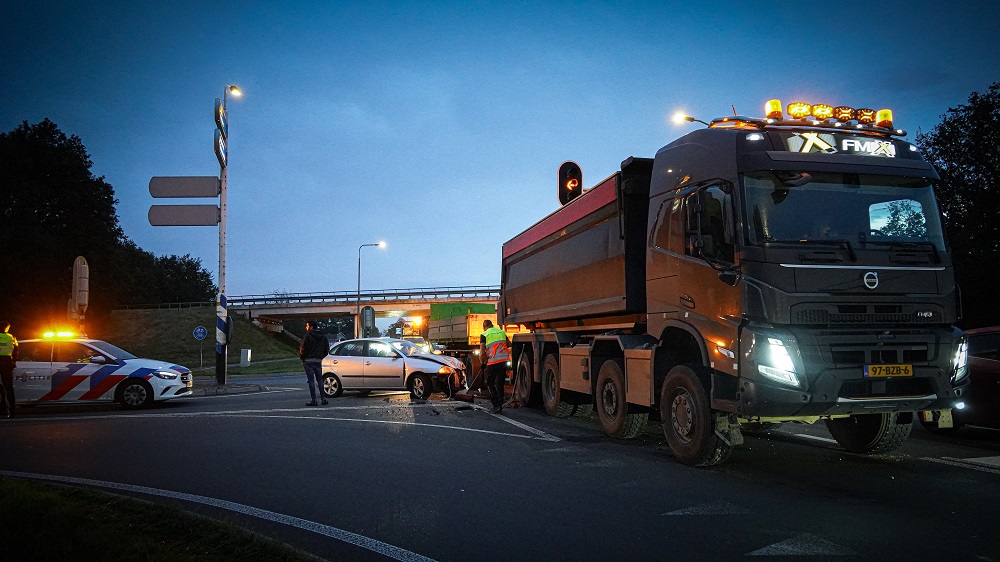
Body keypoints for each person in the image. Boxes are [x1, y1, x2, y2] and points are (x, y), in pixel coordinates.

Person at [479, 319, 511, 414]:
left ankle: (496, 405)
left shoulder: (484, 335)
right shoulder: (501, 332)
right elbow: (509, 344)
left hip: (493, 362)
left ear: (484, 327)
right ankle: (500, 403)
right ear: (492, 325)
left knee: (489, 382)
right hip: (503, 361)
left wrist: (482, 363)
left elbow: (481, 352)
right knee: (500, 382)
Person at [299, 321, 330, 406]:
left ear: (311, 327)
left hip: (308, 360)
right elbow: (327, 349)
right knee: (320, 380)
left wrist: (303, 358)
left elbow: (303, 349)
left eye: (307, 326)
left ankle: (314, 400)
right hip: (318, 360)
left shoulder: (307, 336)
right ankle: (323, 399)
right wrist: (320, 357)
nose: (306, 328)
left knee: (311, 381)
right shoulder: (323, 337)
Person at [0, 321, 18, 418]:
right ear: (7, 328)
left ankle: (2, 406)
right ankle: (11, 412)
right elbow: (16, 350)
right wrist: (13, 362)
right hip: (6, 363)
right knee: (9, 388)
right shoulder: (11, 337)